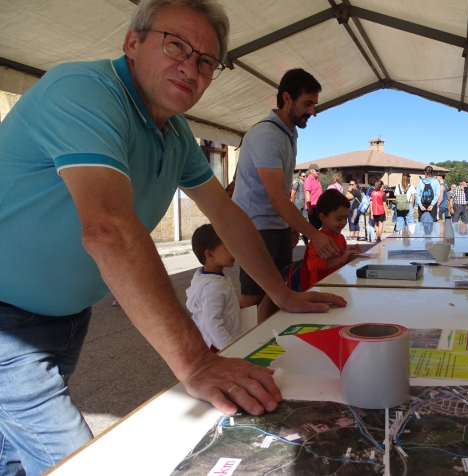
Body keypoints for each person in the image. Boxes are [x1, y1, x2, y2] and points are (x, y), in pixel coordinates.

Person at [0, 1, 347, 473]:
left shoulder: (175, 131)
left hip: (63, 317)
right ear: (132, 42)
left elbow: (226, 214)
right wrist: (196, 364)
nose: (191, 66)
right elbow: (108, 230)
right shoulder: (84, 91)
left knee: (14, 455)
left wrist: (281, 292)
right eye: (176, 45)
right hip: (7, 321)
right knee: (82, 463)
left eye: (206, 61)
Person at [232, 69, 341, 321]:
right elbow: (276, 197)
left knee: (279, 291)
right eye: (307, 103)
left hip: (274, 225)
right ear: (287, 98)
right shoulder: (267, 134)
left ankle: (267, 344)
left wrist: (287, 225)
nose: (312, 111)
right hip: (255, 226)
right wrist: (313, 234)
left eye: (314, 104)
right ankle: (233, 348)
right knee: (253, 295)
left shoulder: (288, 133)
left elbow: (281, 191)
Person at [186, 224, 244, 353]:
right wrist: (231, 350)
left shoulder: (208, 277)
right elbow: (212, 323)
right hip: (219, 346)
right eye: (227, 248)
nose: (233, 251)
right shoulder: (213, 287)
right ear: (210, 254)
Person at [305, 190, 362, 288]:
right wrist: (341, 259)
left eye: (345, 218)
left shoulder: (341, 237)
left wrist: (349, 256)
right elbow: (312, 265)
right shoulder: (319, 240)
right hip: (321, 290)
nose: (344, 222)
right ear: (323, 217)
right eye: (339, 219)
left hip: (337, 285)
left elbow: (340, 262)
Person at [304, 163, 324, 231]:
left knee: (321, 223)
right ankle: (308, 237)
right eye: (316, 170)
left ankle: (307, 236)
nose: (318, 172)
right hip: (312, 206)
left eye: (318, 170)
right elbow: (307, 193)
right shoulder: (308, 180)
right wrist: (309, 207)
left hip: (318, 206)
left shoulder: (317, 180)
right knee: (315, 225)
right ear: (311, 170)